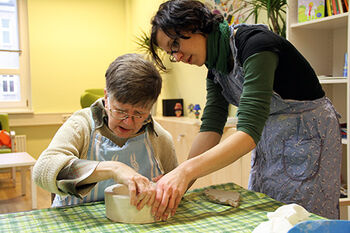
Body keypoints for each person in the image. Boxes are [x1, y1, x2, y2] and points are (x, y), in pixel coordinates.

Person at [149, 0, 342, 220]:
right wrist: (178, 181)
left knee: (303, 219)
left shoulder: (256, 45)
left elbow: (248, 130)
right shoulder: (215, 69)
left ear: (194, 24)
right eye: (171, 53)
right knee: (269, 215)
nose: (178, 57)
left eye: (175, 45)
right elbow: (211, 128)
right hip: (270, 139)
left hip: (309, 136)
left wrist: (185, 172)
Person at [33, 53, 178, 210]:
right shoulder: (80, 125)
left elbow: (174, 184)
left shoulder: (160, 138)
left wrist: (166, 188)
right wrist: (114, 169)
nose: (128, 122)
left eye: (139, 114)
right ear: (107, 97)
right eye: (121, 111)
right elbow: (42, 171)